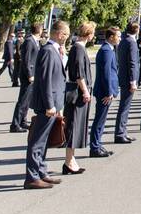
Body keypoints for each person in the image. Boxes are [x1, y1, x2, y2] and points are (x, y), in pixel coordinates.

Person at [24, 19, 68, 190]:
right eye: (66, 34)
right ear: (59, 34)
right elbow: (45, 80)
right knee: (37, 142)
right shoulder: (49, 51)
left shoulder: (55, 50)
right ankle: (32, 177)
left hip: (53, 103)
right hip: (46, 105)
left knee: (43, 142)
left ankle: (41, 172)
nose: (67, 37)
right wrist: (50, 105)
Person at [63, 21, 94, 175]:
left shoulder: (78, 48)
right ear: (89, 35)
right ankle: (69, 161)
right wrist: (85, 91)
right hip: (78, 94)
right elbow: (79, 74)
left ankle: (71, 159)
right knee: (73, 127)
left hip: (79, 93)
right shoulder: (79, 49)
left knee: (76, 126)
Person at [90, 26, 120, 158]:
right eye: (118, 36)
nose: (120, 38)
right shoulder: (107, 50)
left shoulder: (109, 49)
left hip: (105, 90)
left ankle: (98, 144)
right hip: (104, 91)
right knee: (99, 120)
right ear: (111, 37)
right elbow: (106, 73)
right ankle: (95, 146)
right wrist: (109, 92)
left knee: (101, 119)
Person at [11, 22, 42, 132]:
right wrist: (30, 75)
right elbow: (26, 60)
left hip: (33, 75)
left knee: (27, 101)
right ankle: (15, 124)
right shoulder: (29, 41)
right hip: (28, 76)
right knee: (23, 100)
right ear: (39, 30)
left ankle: (23, 121)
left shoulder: (34, 41)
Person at [115, 21, 139, 144]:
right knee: (125, 107)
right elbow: (132, 63)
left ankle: (123, 131)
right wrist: (133, 81)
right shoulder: (132, 42)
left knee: (124, 106)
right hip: (128, 79)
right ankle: (120, 133)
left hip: (123, 77)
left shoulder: (123, 41)